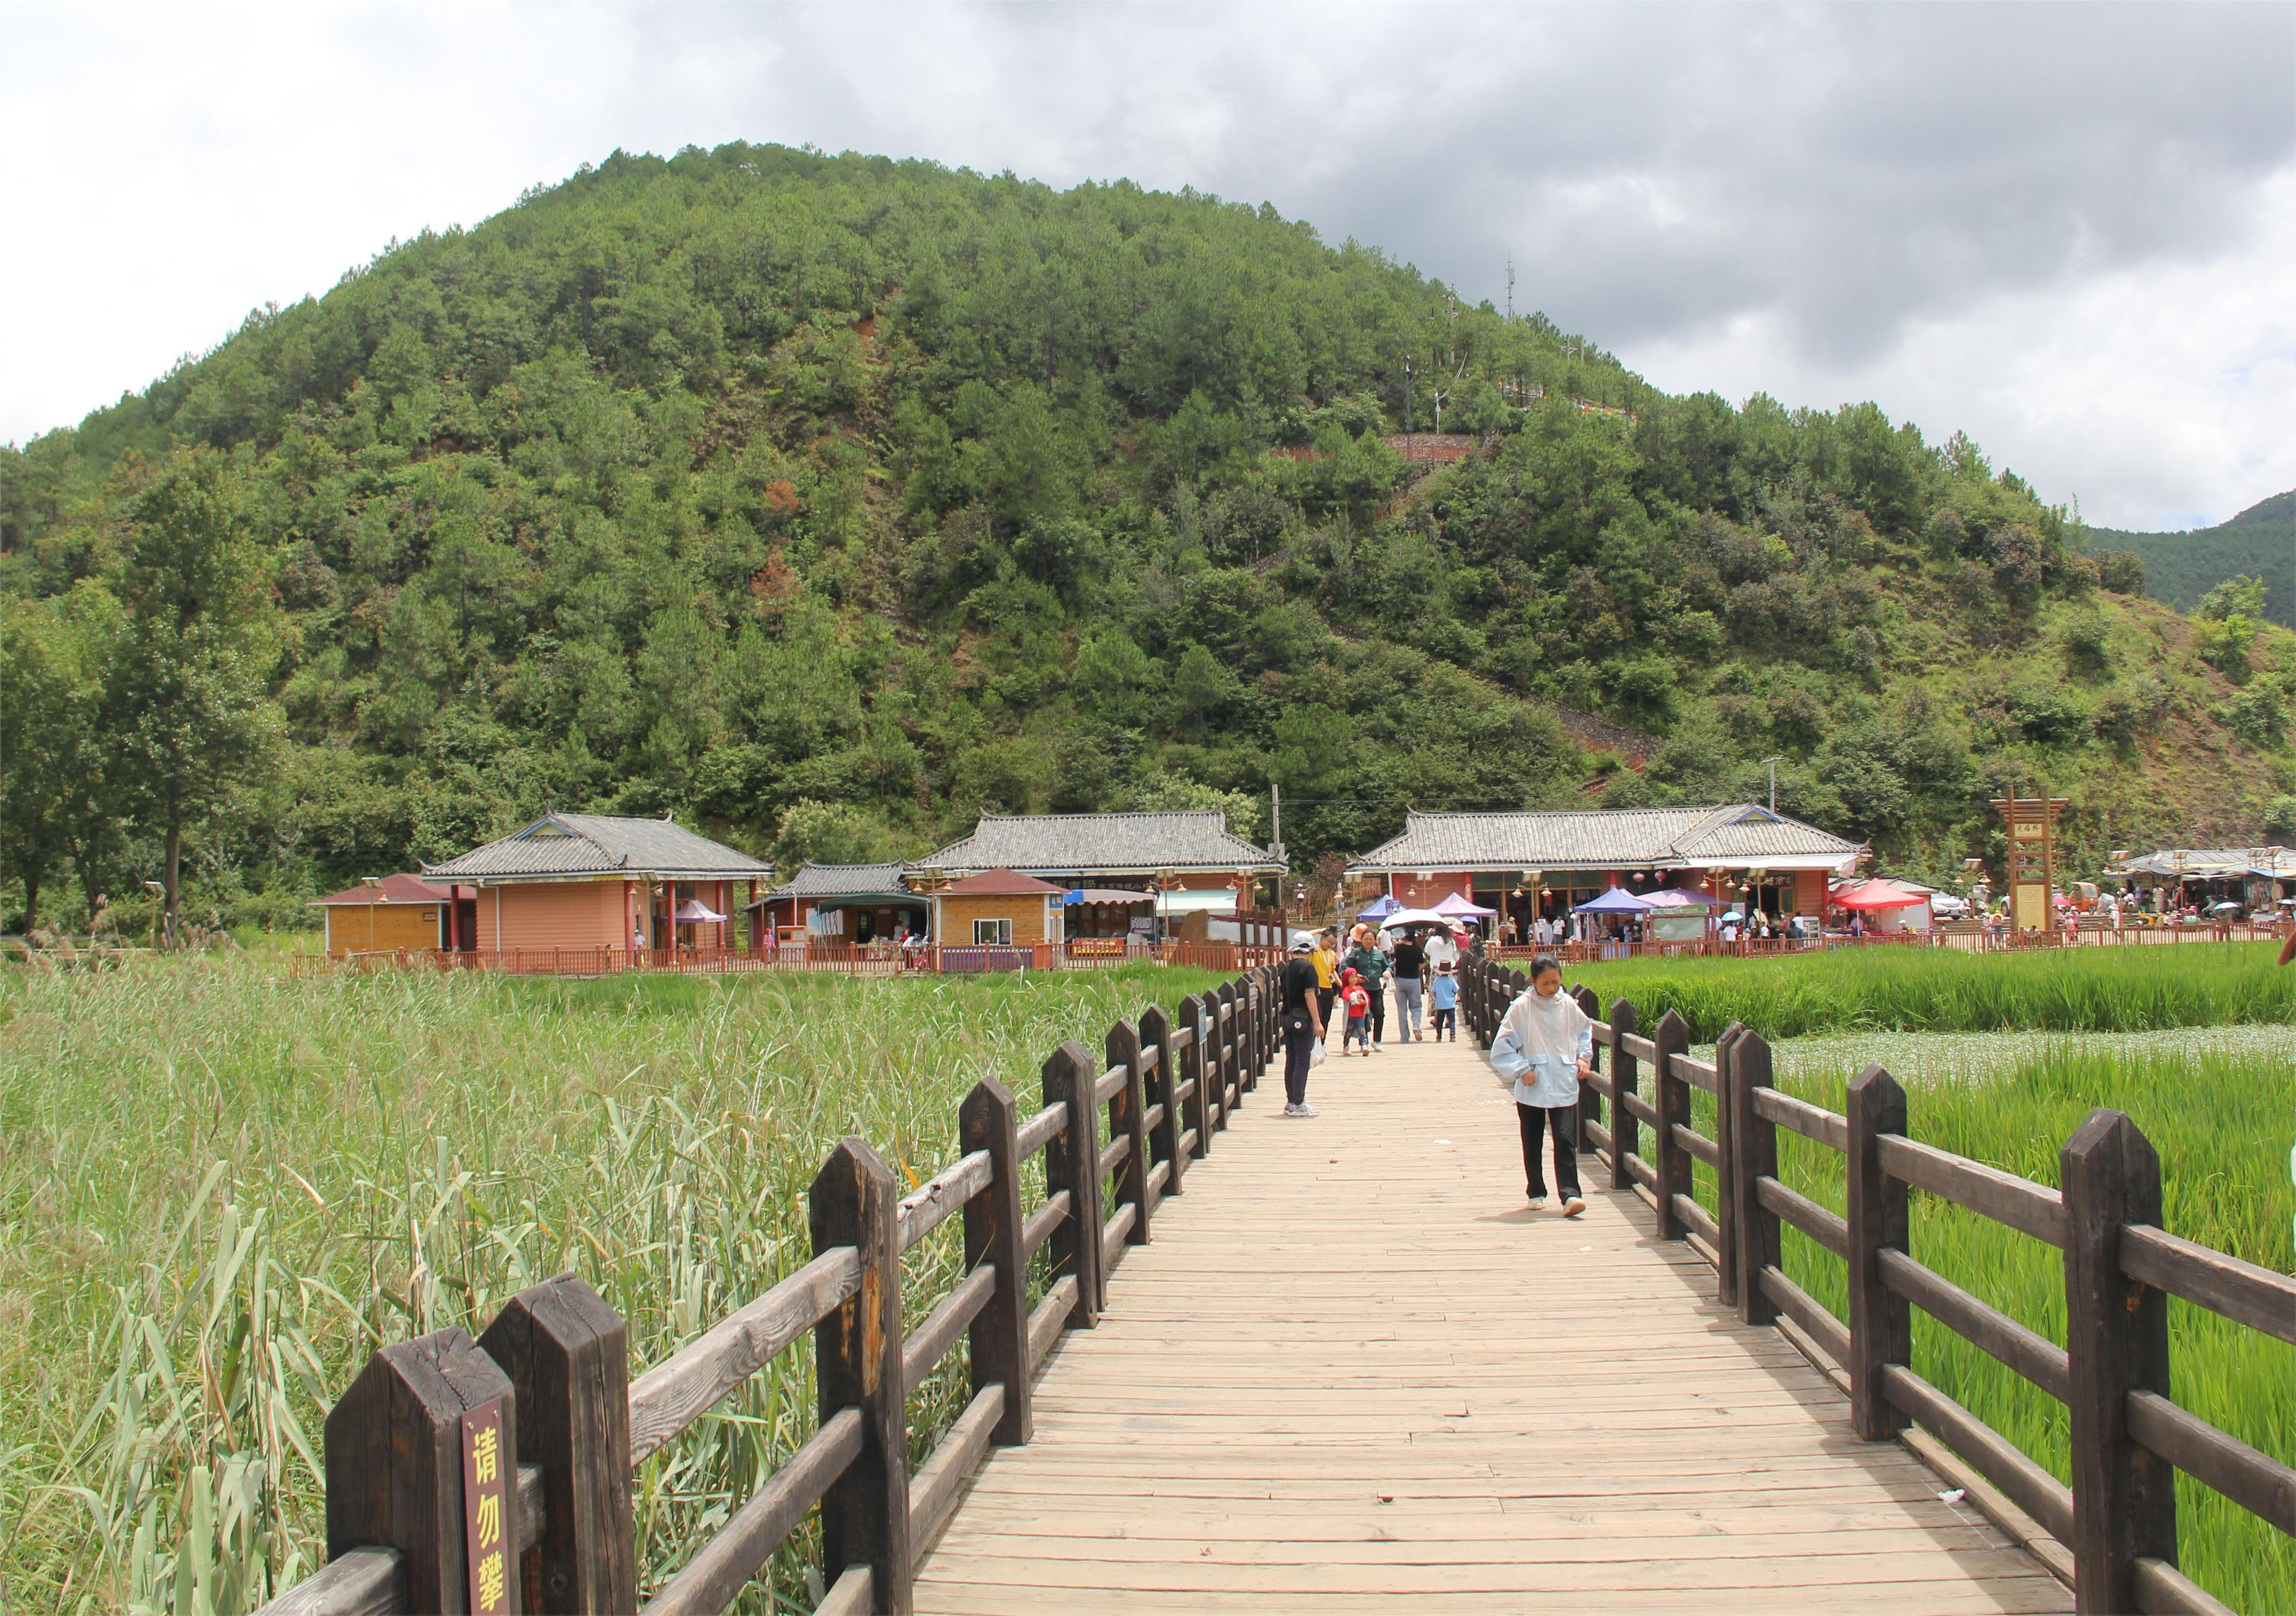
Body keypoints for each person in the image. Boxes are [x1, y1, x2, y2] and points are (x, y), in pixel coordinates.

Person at [1488, 953, 1590, 1216]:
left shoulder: (1569, 1005)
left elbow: (1584, 1032)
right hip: (1533, 1083)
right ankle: (1536, 1191)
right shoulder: (1521, 1008)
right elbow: (1502, 1046)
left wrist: (1582, 1058)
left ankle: (1571, 1195)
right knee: (1532, 1139)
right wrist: (1521, 1069)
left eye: (1556, 982)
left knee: (1565, 1139)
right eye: (1545, 983)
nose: (1551, 988)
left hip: (1563, 1081)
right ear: (1533, 981)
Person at [1279, 939, 1326, 1116]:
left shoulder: (1286, 968)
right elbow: (1309, 995)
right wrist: (1318, 1022)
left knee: (1291, 1059)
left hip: (1287, 1017)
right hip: (1303, 1019)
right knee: (1302, 1062)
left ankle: (1291, 1101)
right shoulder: (1308, 968)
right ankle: (1299, 1103)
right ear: (1310, 950)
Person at [1344, 928, 1390, 1048]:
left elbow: (1388, 966)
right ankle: (1363, 1043)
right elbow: (1345, 966)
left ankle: (1377, 1041)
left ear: (1375, 941)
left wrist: (1387, 972)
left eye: (1371, 939)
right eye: (1366, 939)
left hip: (1376, 989)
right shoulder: (1356, 953)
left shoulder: (1379, 954)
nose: (1368, 941)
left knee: (1379, 1014)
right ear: (1362, 940)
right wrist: (1355, 975)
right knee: (1362, 1017)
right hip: (1360, 991)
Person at [1389, 929, 1427, 1042]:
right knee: (1416, 1007)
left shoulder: (1398, 948)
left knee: (1402, 1010)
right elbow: (1421, 966)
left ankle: (1405, 1037)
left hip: (1399, 980)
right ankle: (1416, 1026)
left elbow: (1394, 962)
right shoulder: (1418, 950)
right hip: (1414, 980)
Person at [1308, 928, 1340, 1038]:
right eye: (1329, 942)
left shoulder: (1332, 954)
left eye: (1333, 944)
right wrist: (1319, 931)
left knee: (1326, 1019)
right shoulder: (1314, 950)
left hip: (1328, 989)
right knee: (1317, 1017)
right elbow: (1307, 936)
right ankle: (1313, 1042)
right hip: (1316, 989)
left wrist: (1341, 985)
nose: (1330, 945)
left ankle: (1322, 1042)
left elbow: (1332, 972)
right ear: (1322, 938)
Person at [1340, 968, 1373, 1055]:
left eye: (1355, 977)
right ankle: (1346, 1046)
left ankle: (1364, 1045)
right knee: (1348, 1032)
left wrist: (1363, 1002)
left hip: (1360, 1015)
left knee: (1362, 1031)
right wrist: (1354, 996)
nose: (1354, 979)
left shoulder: (1360, 989)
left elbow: (1367, 998)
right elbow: (1346, 997)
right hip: (1350, 1016)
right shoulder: (1347, 989)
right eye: (1351, 977)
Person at [1429, 961, 1459, 1041]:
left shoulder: (1437, 981)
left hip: (1440, 1004)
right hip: (1450, 1004)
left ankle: (1439, 1036)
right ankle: (1452, 1035)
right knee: (1452, 1020)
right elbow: (1456, 990)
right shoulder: (1451, 980)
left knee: (1439, 1021)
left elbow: (1434, 991)